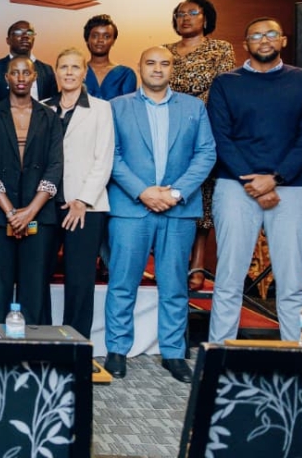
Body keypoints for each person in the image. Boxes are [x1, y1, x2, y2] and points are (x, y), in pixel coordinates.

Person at [103, 47, 215, 383]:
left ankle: (173, 353)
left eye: (164, 63)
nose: (157, 69)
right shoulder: (117, 107)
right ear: (139, 67)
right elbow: (112, 155)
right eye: (150, 63)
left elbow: (206, 152)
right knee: (122, 283)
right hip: (130, 207)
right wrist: (143, 191)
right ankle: (117, 350)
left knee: (174, 286)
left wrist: (176, 192)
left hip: (178, 209)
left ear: (173, 70)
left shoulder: (194, 107)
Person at [207, 18, 302, 344]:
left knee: (293, 282)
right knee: (228, 279)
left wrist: (275, 179)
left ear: (282, 40)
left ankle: (296, 357)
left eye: (270, 34)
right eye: (255, 35)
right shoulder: (226, 82)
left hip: (291, 188)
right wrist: (253, 182)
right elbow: (221, 137)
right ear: (245, 44)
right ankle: (219, 354)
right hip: (235, 187)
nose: (264, 40)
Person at [0, 56, 63, 330]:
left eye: (26, 72)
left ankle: (31, 354)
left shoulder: (48, 116)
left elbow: (55, 166)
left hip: (39, 215)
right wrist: (11, 213)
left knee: (34, 288)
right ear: (6, 78)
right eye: (14, 72)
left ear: (35, 76)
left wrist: (30, 212)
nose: (21, 77)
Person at [163, 0, 235, 290]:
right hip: (168, 131)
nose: (186, 18)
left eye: (193, 13)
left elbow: (226, 89)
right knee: (171, 190)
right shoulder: (164, 51)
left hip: (206, 129)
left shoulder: (220, 49)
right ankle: (171, 259)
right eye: (180, 14)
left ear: (206, 18)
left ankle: (198, 262)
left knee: (203, 195)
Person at [41, 48, 113, 338]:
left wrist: (83, 200)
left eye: (75, 67)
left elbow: (104, 158)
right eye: (63, 67)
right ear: (56, 72)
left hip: (86, 206)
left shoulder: (101, 108)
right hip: (45, 205)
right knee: (38, 276)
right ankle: (41, 336)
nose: (69, 72)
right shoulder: (41, 106)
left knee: (80, 279)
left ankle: (75, 342)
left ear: (85, 72)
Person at [0, 21, 57, 107]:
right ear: (8, 40)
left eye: (29, 33)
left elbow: (53, 105)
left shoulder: (46, 70)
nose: (25, 36)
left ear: (33, 39)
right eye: (18, 32)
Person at [83, 14, 136, 100]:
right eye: (95, 36)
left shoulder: (126, 74)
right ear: (87, 39)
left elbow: (127, 108)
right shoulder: (75, 71)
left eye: (106, 36)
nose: (100, 40)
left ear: (113, 41)